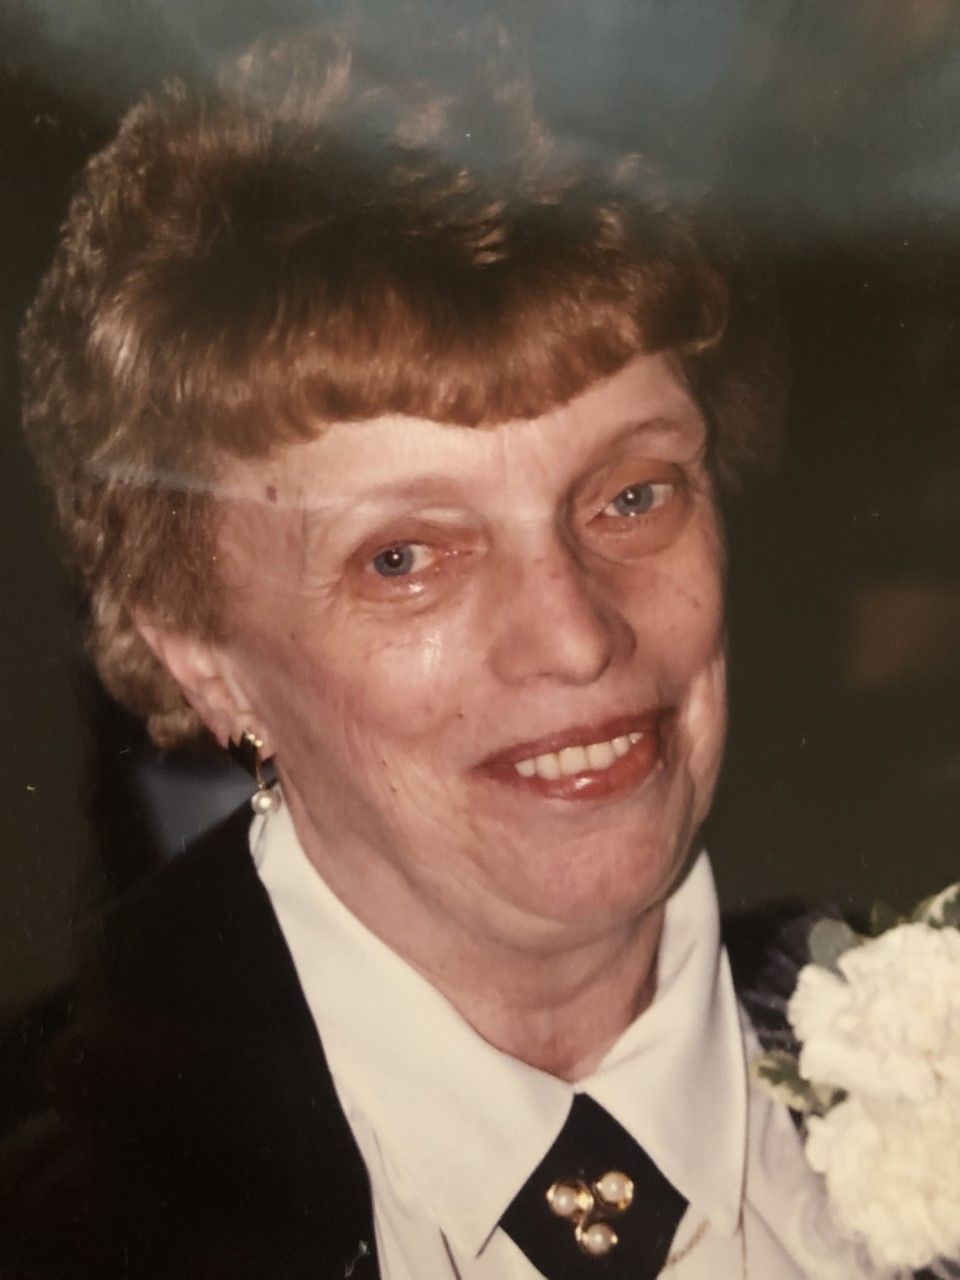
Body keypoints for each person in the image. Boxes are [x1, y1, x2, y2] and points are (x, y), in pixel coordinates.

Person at [0, 25, 902, 1280]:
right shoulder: (61, 1218)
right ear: (203, 657)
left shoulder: (920, 1042)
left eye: (633, 495)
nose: (577, 636)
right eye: (405, 557)